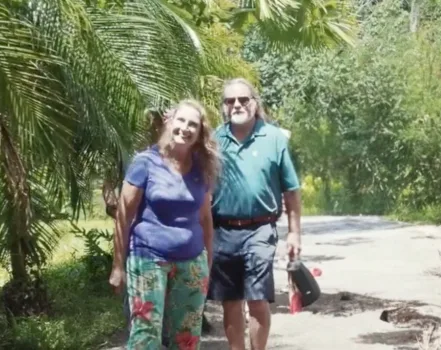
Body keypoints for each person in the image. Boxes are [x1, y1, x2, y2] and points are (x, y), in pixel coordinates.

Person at [108, 99, 220, 349]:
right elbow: (124, 216)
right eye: (181, 120)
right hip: (148, 259)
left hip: (192, 263)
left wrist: (208, 264)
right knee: (145, 338)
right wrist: (117, 266)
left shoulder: (202, 169)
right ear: (170, 122)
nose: (185, 128)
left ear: (200, 132)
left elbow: (205, 219)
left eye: (193, 124)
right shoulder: (145, 162)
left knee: (187, 338)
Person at [208, 78, 303, 350]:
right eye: (230, 101)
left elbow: (291, 190)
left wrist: (294, 233)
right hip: (223, 230)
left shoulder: (274, 138)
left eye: (243, 99)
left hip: (261, 229)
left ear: (254, 103)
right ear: (224, 106)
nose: (237, 105)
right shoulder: (214, 140)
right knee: (231, 302)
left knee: (257, 298)